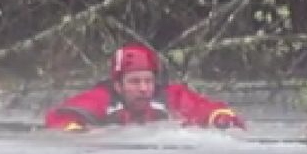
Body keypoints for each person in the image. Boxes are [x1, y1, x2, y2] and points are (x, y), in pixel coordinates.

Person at [44, 43, 246, 131]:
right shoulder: (101, 99)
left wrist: (221, 119)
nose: (144, 89)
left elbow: (208, 108)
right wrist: (78, 132)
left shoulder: (170, 97)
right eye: (135, 82)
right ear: (117, 85)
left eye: (148, 81)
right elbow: (60, 117)